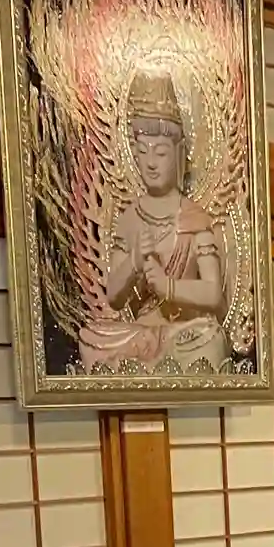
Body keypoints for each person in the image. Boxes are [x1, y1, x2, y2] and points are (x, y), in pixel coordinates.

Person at [79, 69, 229, 374]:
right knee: (91, 337)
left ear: (179, 153)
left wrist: (168, 286)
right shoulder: (129, 219)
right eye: (142, 151)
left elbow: (213, 294)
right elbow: (114, 297)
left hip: (185, 332)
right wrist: (135, 260)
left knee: (211, 337)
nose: (150, 162)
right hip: (140, 334)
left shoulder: (195, 218)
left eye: (160, 153)